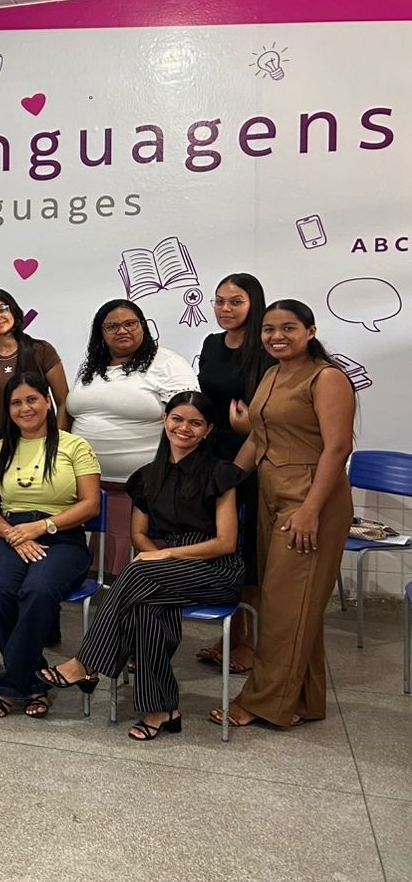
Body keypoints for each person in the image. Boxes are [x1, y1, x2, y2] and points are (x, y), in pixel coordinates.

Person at [40, 392, 244, 739]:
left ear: (208, 430)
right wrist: (157, 556)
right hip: (167, 570)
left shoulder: (220, 473)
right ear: (165, 421)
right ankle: (162, 710)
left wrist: (165, 556)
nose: (184, 428)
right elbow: (138, 534)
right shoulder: (147, 476)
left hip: (217, 569)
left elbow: (225, 542)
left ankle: (86, 663)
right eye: (177, 419)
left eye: (196, 423)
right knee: (146, 607)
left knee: (136, 571)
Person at [218, 300, 354, 729]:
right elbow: (257, 439)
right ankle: (304, 701)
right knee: (295, 604)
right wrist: (223, 482)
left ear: (310, 332)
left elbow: (338, 448)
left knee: (282, 607)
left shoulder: (327, 377)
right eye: (269, 329)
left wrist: (311, 509)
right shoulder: (273, 374)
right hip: (271, 493)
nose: (277, 336)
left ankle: (263, 703)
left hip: (311, 498)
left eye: (288, 328)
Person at [0, 374, 102, 719]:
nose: (25, 408)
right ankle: (34, 681)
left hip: (63, 536)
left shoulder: (74, 446)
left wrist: (42, 526)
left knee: (38, 589)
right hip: (12, 533)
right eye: (16, 403)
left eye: (32, 399)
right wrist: (12, 534)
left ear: (47, 402)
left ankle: (10, 686)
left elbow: (91, 504)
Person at [66, 298, 196, 571]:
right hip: (92, 486)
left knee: (142, 572)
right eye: (112, 326)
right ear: (101, 333)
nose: (122, 330)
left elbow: (190, 418)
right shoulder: (91, 366)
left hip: (146, 488)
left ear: (143, 327)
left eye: (130, 324)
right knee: (101, 572)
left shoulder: (167, 363)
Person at [195, 273, 275, 672]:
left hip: (256, 455)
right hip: (214, 456)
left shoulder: (267, 348)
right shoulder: (212, 343)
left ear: (253, 304)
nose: (225, 309)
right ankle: (231, 633)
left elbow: (279, 410)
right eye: (219, 301)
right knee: (222, 545)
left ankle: (251, 642)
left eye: (235, 302)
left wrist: (251, 428)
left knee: (251, 552)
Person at [0, 287, 71, 444]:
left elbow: (63, 402)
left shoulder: (41, 350)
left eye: (1, 309)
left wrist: (58, 443)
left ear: (13, 310)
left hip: (41, 437)